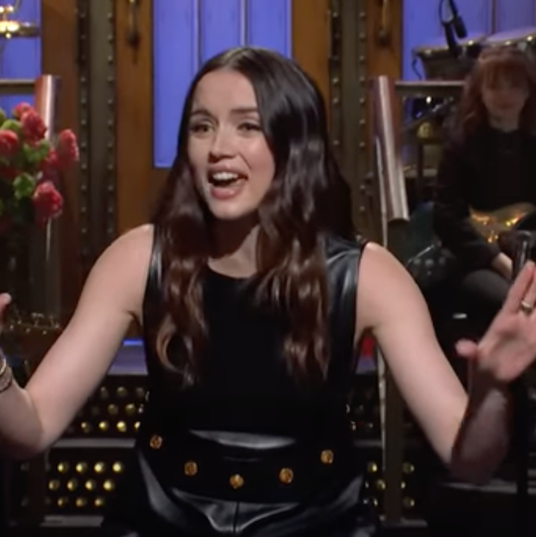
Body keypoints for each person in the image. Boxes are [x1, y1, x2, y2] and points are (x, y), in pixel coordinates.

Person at [1, 47, 536, 537]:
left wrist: (491, 391)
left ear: (294, 145)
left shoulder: (370, 276)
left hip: (317, 521)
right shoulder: (138, 258)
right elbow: (32, 429)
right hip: (162, 517)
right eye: (202, 126)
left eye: (247, 127)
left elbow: (470, 461)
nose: (219, 149)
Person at [433, 46, 536, 331]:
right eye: (495, 86)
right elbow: (447, 218)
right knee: (515, 303)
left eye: (514, 86)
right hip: (476, 261)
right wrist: (499, 261)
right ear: (480, 92)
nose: (505, 95)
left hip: (528, 255)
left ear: (528, 91)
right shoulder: (462, 143)